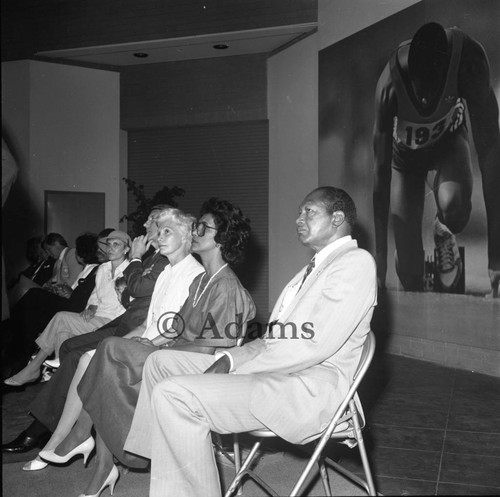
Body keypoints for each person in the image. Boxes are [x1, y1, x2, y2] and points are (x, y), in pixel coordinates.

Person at [118, 186, 377, 497]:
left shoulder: (356, 262)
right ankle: (162, 461)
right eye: (299, 212)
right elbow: (274, 338)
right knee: (161, 363)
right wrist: (230, 359)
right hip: (284, 372)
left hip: (309, 388)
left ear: (338, 218)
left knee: (175, 395)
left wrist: (238, 370)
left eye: (308, 211)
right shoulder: (312, 268)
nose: (298, 218)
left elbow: (312, 345)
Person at [39, 198, 256, 497]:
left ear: (222, 237)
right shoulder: (203, 280)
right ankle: (98, 455)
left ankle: (86, 440)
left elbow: (209, 352)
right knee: (109, 353)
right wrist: (150, 341)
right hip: (174, 351)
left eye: (202, 227)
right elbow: (177, 325)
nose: (195, 231)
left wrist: (155, 350)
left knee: (110, 351)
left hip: (195, 365)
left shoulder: (225, 286)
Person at [1, 210, 168, 455]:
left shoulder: (155, 259)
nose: (144, 224)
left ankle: (46, 431)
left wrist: (134, 261)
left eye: (151, 220)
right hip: (126, 321)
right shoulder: (149, 258)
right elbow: (127, 296)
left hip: (137, 327)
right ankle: (55, 423)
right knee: (68, 345)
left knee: (76, 354)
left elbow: (138, 292)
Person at [373, 22, 500, 294]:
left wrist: (497, 258)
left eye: (434, 89)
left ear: (447, 72)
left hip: (448, 147)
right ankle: (410, 263)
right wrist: (380, 263)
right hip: (405, 162)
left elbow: (491, 153)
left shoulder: (470, 60)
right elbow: (380, 174)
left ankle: (444, 230)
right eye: (420, 89)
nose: (425, 99)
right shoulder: (389, 85)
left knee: (454, 209)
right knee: (410, 275)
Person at [3, 230, 131, 387]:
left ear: (126, 249)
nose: (110, 248)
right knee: (63, 330)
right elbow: (95, 296)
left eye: (116, 245)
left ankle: (35, 367)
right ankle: (59, 371)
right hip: (94, 316)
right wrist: (91, 308)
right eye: (109, 244)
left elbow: (129, 302)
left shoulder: (131, 270)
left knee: (61, 317)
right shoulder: (103, 269)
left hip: (111, 322)